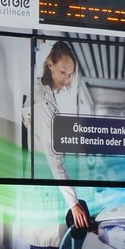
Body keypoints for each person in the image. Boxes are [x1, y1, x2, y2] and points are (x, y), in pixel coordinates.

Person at [23, 40, 93, 231]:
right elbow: (53, 158)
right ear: (50, 64)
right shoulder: (43, 102)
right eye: (63, 72)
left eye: (70, 75)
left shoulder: (43, 95)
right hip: (46, 192)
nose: (67, 79)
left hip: (45, 190)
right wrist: (73, 204)